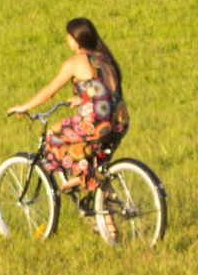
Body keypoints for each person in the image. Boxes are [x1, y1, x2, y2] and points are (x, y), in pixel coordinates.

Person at [7, 17, 130, 208]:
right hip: (119, 122)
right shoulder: (105, 59)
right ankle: (107, 225)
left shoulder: (76, 62)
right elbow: (105, 91)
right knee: (96, 166)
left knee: (54, 134)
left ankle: (82, 178)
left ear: (75, 39)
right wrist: (82, 99)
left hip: (96, 125)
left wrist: (24, 106)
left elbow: (49, 91)